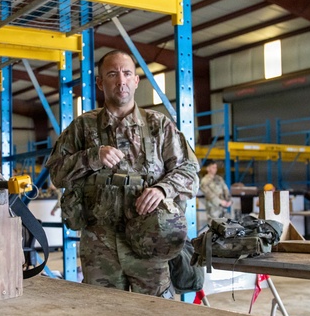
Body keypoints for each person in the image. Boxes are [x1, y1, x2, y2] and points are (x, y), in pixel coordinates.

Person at [45, 50, 199, 297]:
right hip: (99, 244)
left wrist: (162, 189)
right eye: (112, 74)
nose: (121, 81)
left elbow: (190, 170)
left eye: (127, 73)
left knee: (155, 315)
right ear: (99, 82)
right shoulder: (83, 127)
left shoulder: (158, 125)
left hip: (150, 240)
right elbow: (56, 172)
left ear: (136, 80)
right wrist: (92, 157)